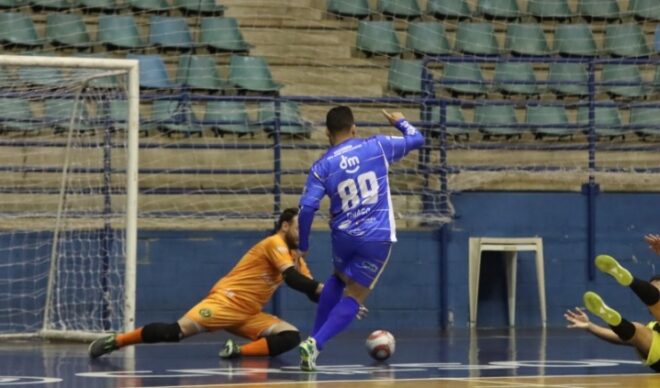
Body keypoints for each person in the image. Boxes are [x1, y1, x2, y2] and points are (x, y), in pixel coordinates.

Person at [88, 208, 323, 359]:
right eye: (298, 227)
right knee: (174, 332)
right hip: (227, 302)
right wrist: (318, 289)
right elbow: (293, 279)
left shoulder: (296, 258)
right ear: (284, 226)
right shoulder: (274, 243)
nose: (303, 232)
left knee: (290, 336)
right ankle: (116, 341)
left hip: (249, 314)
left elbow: (312, 290)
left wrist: (344, 301)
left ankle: (236, 351)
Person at [296, 106, 425, 371]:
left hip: (343, 235)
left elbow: (307, 207)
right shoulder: (376, 146)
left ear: (327, 134)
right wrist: (401, 123)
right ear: (353, 127)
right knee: (354, 296)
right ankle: (315, 344)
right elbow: (417, 139)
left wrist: (304, 245)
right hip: (376, 236)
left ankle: (311, 340)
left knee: (338, 277)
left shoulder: (322, 166)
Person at [565, 253, 660, 372]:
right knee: (636, 330)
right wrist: (590, 326)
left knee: (637, 330)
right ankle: (628, 283)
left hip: (657, 357)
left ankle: (630, 280)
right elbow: (620, 337)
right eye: (654, 292)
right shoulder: (651, 328)